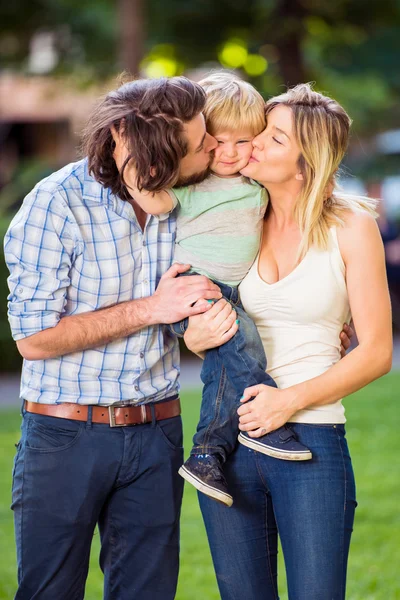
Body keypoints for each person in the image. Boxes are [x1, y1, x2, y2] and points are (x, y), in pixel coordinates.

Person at [4, 76, 226, 600]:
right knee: (49, 592)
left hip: (158, 432)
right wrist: (153, 308)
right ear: (154, 160)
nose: (214, 147)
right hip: (64, 436)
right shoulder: (56, 204)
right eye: (201, 144)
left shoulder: (195, 200)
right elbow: (33, 338)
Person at [183, 83, 393, 599]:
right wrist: (193, 336)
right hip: (226, 444)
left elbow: (377, 352)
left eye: (273, 139)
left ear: (306, 162)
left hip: (310, 440)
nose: (252, 145)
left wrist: (288, 401)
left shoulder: (351, 227)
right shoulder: (237, 217)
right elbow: (201, 314)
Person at [116, 73, 312, 509]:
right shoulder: (194, 186)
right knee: (245, 348)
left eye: (242, 142)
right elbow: (155, 201)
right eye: (217, 141)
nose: (228, 152)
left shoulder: (256, 185)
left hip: (230, 293)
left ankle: (207, 455)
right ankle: (243, 432)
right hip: (195, 288)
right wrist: (128, 163)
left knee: (226, 366)